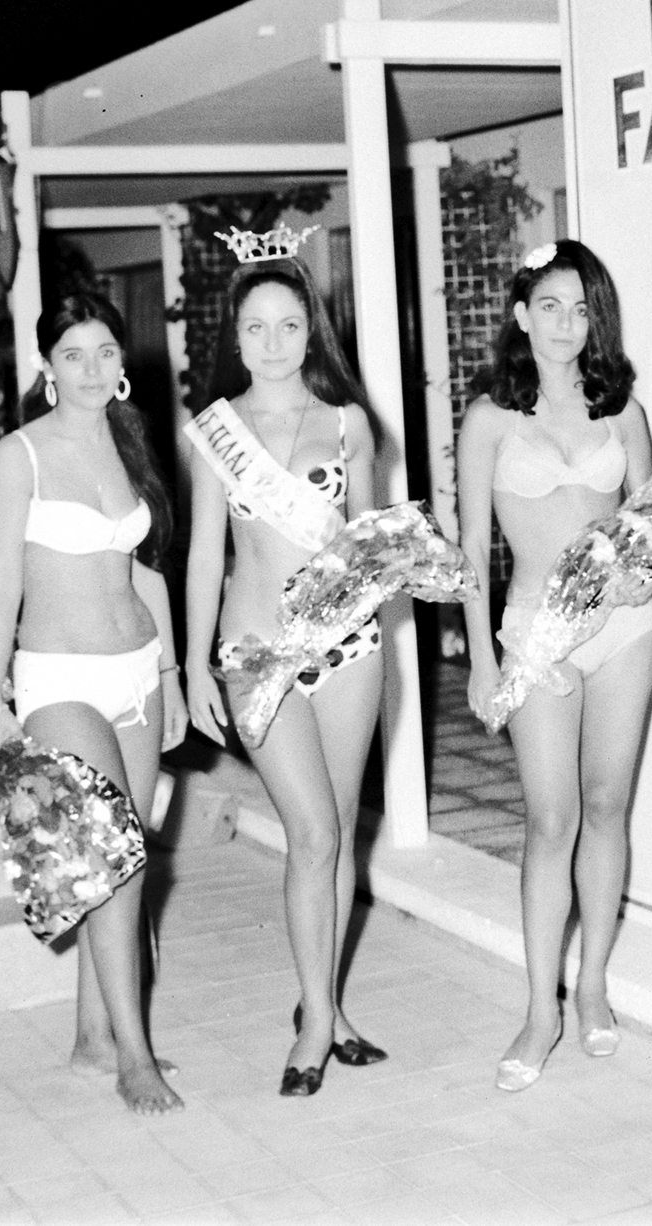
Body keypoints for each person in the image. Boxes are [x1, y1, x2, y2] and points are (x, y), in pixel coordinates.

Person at [183, 232, 388, 1099]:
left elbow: (371, 543)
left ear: (312, 331)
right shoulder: (213, 434)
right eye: (256, 327)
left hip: (348, 648)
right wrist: (193, 664)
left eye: (290, 325)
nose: (273, 343)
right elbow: (205, 554)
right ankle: (312, 1024)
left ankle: (326, 1006)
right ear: (234, 338)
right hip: (257, 653)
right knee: (311, 835)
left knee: (337, 829)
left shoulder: (347, 424)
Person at [0, 292, 186, 1115]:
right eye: (73, 355)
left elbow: (145, 572)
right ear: (47, 366)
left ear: (121, 361)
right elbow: (2, 586)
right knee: (114, 863)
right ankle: (136, 1056)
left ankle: (94, 1037)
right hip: (59, 679)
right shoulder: (19, 455)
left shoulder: (128, 442)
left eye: (105, 351)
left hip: (138, 672)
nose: (92, 369)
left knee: (121, 862)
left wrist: (170, 674)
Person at [457, 239, 652, 1091]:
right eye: (549, 307)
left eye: (580, 309)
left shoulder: (622, 412)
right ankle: (539, 1008)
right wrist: (480, 659)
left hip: (624, 632)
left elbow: (649, 528)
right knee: (551, 821)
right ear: (520, 315)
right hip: (535, 635)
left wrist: (646, 580)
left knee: (607, 807)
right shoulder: (490, 419)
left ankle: (594, 987)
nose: (565, 325)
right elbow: (470, 549)